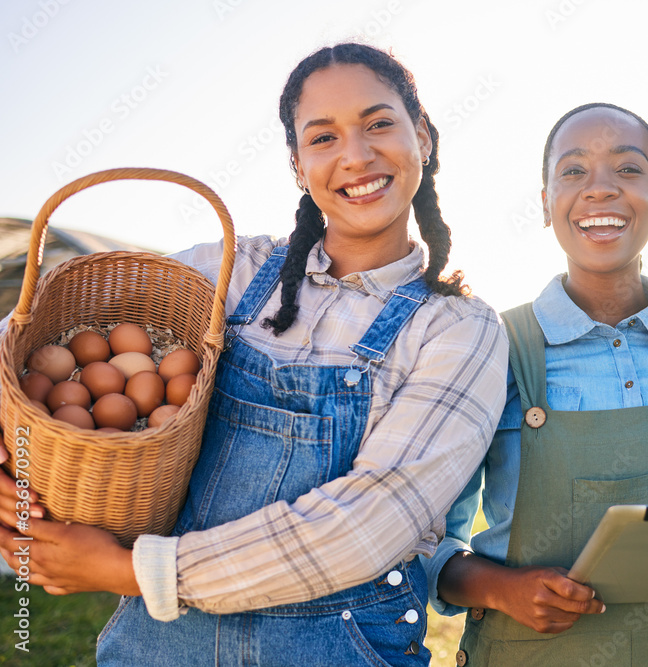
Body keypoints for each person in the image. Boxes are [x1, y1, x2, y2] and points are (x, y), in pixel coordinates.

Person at [0, 43, 508, 666]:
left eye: (379, 123)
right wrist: (11, 457)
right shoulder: (233, 271)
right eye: (323, 138)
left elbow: (370, 522)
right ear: (297, 165)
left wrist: (136, 571)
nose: (356, 155)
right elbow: (30, 336)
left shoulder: (456, 328)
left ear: (423, 137)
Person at [423, 102, 648, 666]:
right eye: (573, 171)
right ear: (545, 204)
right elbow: (426, 545)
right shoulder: (489, 350)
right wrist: (502, 590)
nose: (600, 190)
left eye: (628, 169)